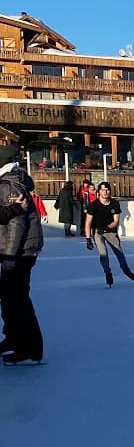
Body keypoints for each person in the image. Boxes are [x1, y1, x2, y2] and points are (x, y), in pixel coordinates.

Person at [0, 147, 45, 364]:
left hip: (19, 252)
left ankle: (30, 347)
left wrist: (9, 257)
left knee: (18, 299)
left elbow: (16, 225)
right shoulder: (8, 182)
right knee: (9, 298)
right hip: (14, 250)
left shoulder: (8, 185)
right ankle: (14, 338)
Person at [84, 181, 134, 287]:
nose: (105, 192)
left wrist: (106, 228)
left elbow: (116, 221)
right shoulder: (93, 205)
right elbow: (88, 223)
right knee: (103, 254)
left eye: (107, 190)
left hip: (110, 232)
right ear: (99, 192)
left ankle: (126, 270)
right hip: (98, 233)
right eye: (103, 190)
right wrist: (88, 239)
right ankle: (107, 273)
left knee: (119, 252)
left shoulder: (114, 204)